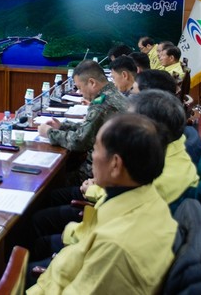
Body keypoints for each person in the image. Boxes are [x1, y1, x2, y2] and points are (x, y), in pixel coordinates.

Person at [27, 114, 178, 294]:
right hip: (70, 263)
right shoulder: (143, 195)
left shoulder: (115, 246)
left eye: (96, 148)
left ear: (115, 164)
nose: (93, 156)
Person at [38, 60, 128, 185]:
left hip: (98, 175)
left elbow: (79, 141)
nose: (79, 92)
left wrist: (49, 132)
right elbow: (91, 128)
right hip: (115, 166)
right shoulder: (113, 92)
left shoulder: (102, 104)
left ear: (92, 83)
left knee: (49, 183)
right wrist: (62, 126)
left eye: (80, 87)